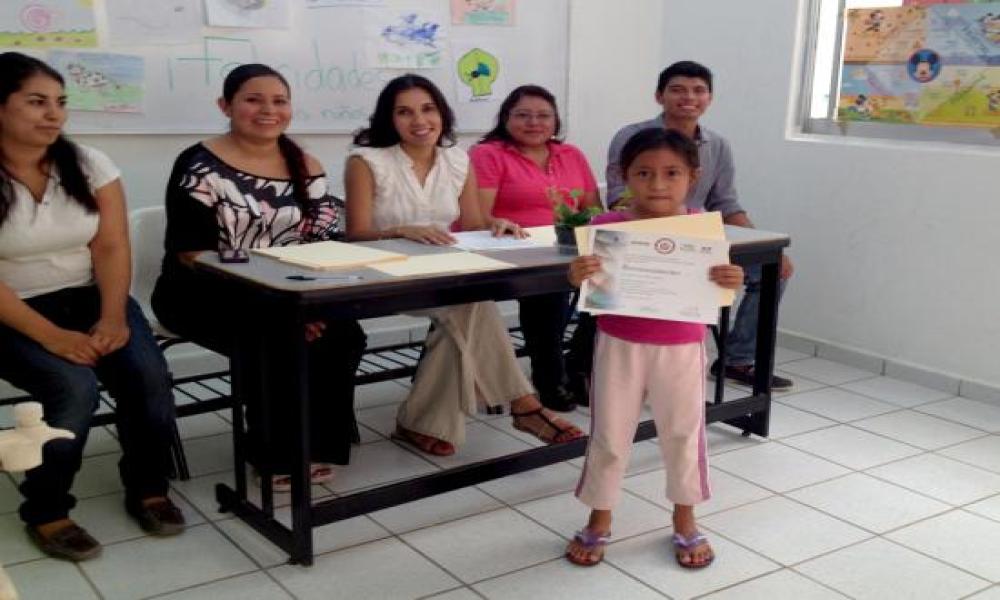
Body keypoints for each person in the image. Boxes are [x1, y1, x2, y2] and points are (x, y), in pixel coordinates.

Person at [0, 52, 185, 561]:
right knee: (73, 387)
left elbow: (111, 245)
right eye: (36, 102)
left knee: (147, 375)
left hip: (89, 296)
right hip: (12, 311)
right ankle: (46, 509)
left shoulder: (88, 163)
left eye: (60, 102)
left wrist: (112, 315)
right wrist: (52, 337)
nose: (53, 114)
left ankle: (149, 487)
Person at [151, 64, 366, 491]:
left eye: (279, 101)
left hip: (288, 290)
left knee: (344, 335)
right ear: (226, 106)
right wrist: (273, 298)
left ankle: (317, 443)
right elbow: (191, 252)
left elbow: (319, 241)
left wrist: (309, 301)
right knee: (275, 338)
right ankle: (274, 454)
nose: (268, 110)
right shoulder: (198, 164)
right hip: (201, 291)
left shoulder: (305, 164)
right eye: (253, 100)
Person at [344, 74, 583, 456]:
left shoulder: (456, 159)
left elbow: (472, 223)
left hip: (443, 271)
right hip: (384, 274)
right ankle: (523, 403)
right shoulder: (366, 161)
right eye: (404, 112)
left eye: (428, 109)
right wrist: (400, 230)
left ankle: (419, 424)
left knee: (464, 312)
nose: (419, 120)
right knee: (471, 304)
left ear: (442, 114)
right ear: (389, 119)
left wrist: (496, 224)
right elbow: (355, 234)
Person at [566, 127, 744, 568]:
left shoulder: (701, 229)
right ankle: (600, 517)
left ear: (693, 177)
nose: (657, 184)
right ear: (625, 176)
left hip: (681, 346)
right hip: (619, 343)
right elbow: (587, 284)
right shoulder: (605, 228)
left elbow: (717, 288)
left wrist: (730, 280)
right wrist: (576, 275)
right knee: (610, 434)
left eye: (671, 173)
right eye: (643, 173)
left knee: (683, 433)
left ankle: (685, 518)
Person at [604, 60, 794, 389]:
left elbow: (725, 203)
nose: (689, 97)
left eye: (698, 91)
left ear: (709, 98)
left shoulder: (717, 145)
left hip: (699, 238)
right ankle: (640, 368)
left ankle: (736, 359)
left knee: (773, 270)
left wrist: (766, 246)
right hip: (643, 239)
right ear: (659, 96)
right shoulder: (632, 136)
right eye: (678, 90)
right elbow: (619, 197)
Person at [469, 85, 600, 412]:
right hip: (506, 250)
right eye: (523, 115)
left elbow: (593, 208)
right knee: (549, 289)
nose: (534, 123)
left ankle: (579, 367)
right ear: (506, 118)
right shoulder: (488, 154)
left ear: (556, 121)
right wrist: (498, 222)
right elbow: (477, 217)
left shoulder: (571, 154)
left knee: (612, 282)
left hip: (565, 248)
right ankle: (550, 378)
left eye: (543, 116)